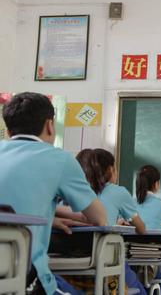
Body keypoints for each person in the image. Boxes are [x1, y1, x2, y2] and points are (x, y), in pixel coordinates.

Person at [0, 92, 106, 295]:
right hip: (24, 276)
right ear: (50, 126)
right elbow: (100, 218)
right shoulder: (59, 159)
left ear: (7, 130)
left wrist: (50, 217)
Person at [76, 148, 147, 295]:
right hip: (104, 257)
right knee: (139, 289)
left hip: (71, 258)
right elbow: (141, 229)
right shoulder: (118, 192)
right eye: (115, 168)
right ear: (110, 169)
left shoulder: (75, 189)